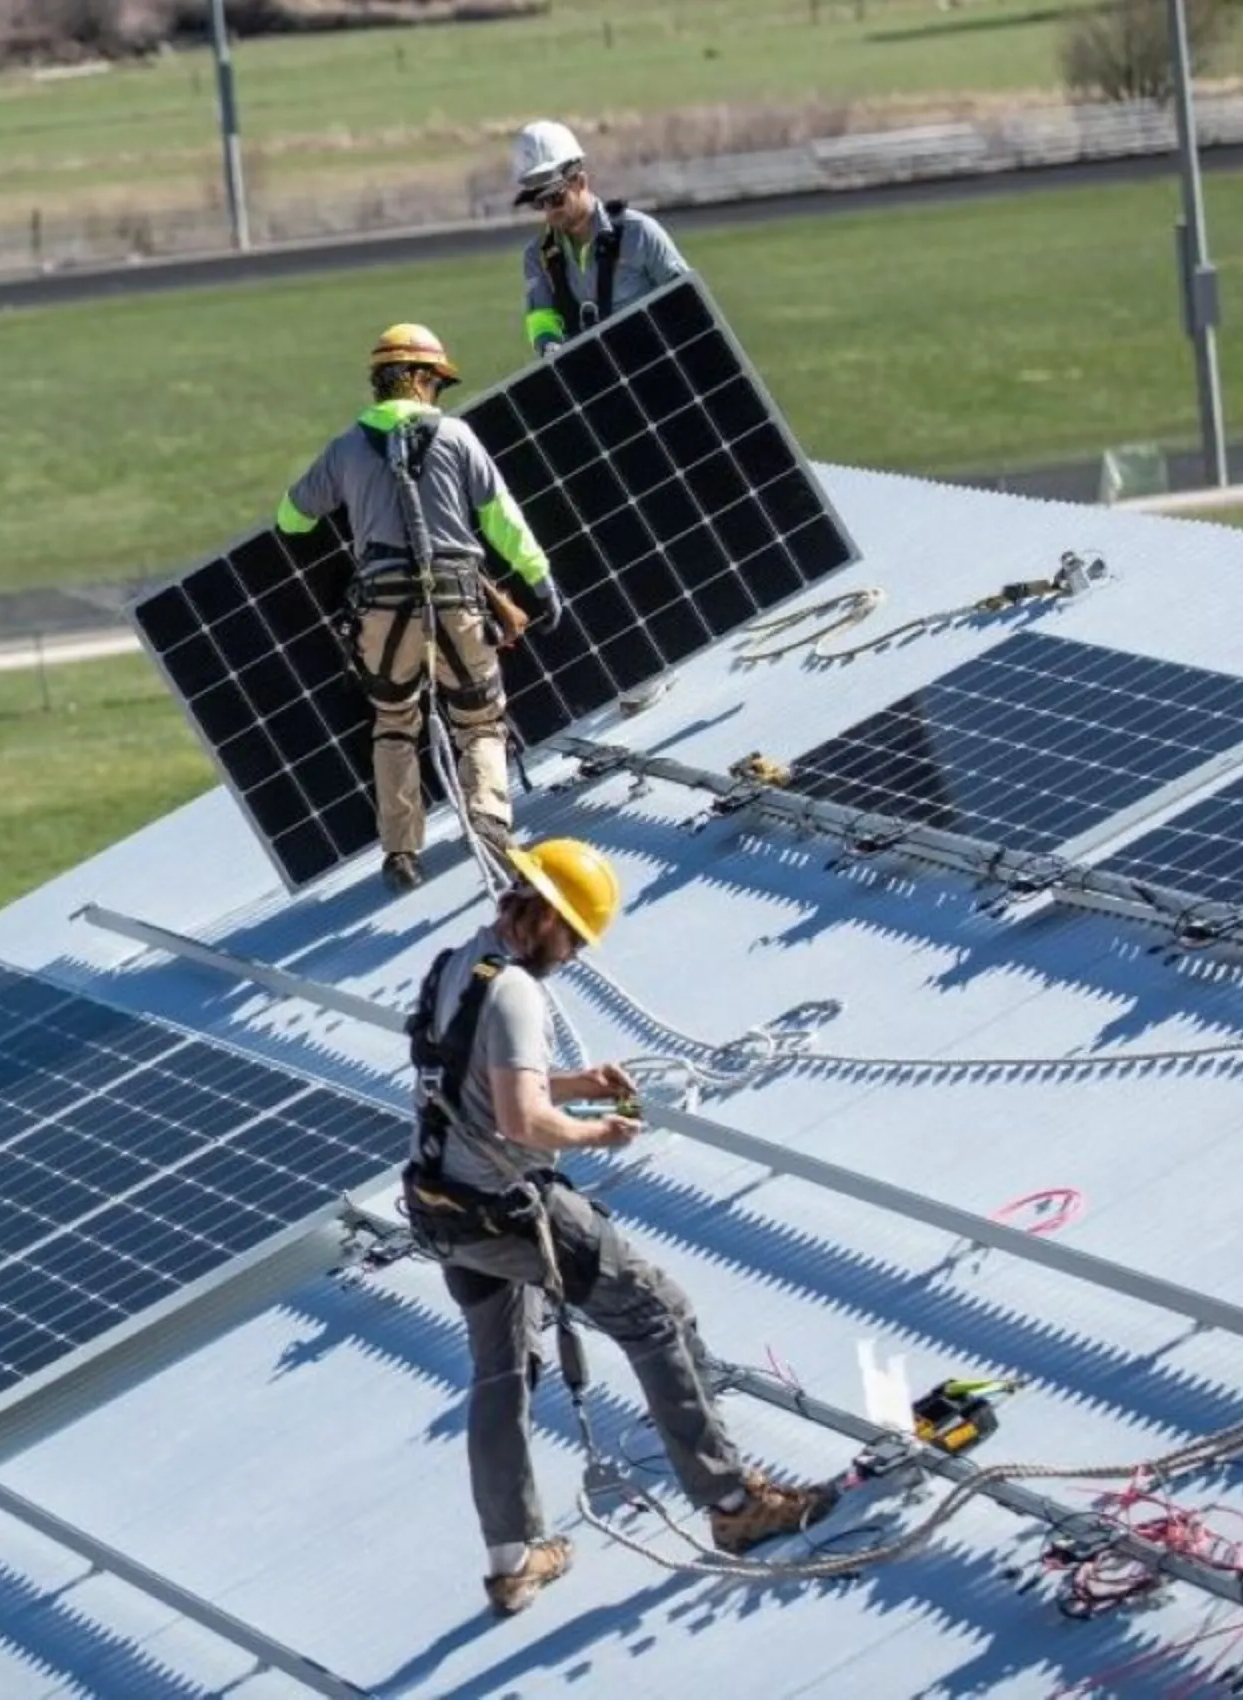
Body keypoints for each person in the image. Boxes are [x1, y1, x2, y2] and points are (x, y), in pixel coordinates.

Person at [402, 838, 841, 1617]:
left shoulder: (455, 965)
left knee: (501, 1377)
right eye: (572, 937)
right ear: (543, 917)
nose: (570, 956)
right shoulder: (518, 994)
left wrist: (575, 1081)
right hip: (507, 1207)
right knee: (655, 1310)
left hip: (444, 1212)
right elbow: (523, 1121)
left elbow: (471, 1074)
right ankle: (736, 1507)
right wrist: (598, 1129)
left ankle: (513, 1560)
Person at [277, 324, 563, 894]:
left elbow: (292, 518)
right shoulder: (457, 438)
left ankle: (401, 853)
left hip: (382, 611)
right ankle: (489, 823)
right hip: (458, 600)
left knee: (393, 724)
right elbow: (501, 519)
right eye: (437, 382)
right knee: (479, 720)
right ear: (422, 378)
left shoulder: (346, 447)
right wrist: (540, 578)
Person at [512, 119, 693, 360]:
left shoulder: (639, 233)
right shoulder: (537, 257)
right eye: (538, 202)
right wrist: (548, 346)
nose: (549, 211)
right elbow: (541, 316)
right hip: (594, 383)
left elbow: (688, 303)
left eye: (555, 198)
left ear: (580, 181)